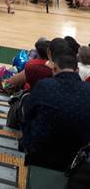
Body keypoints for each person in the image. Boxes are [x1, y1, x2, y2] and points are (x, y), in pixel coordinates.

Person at [22, 40, 90, 171]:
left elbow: (27, 115)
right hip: (75, 158)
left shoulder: (44, 85)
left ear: (54, 68)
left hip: (40, 153)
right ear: (76, 70)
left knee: (25, 101)